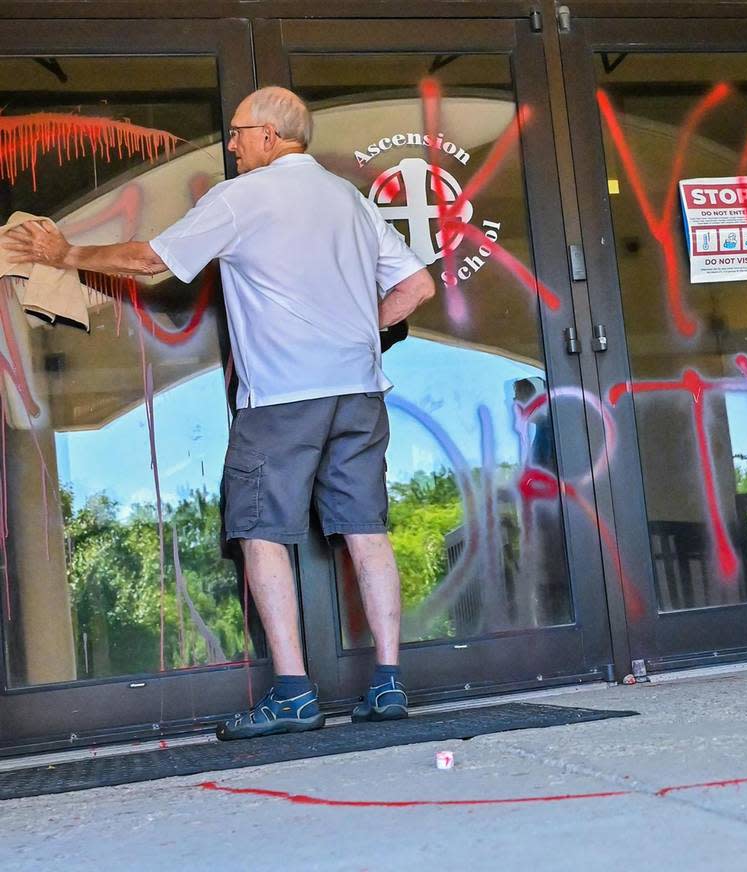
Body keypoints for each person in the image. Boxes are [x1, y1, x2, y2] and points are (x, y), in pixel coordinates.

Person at [1, 86, 435, 741]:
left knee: (261, 532)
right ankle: (389, 684)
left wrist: (65, 257)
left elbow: (151, 260)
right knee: (366, 532)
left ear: (269, 134)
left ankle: (292, 694)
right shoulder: (347, 199)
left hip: (284, 400)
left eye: (236, 133)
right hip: (359, 393)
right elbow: (416, 286)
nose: (229, 145)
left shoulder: (243, 198)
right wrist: (354, 336)